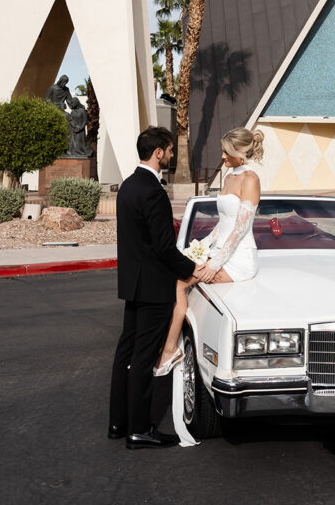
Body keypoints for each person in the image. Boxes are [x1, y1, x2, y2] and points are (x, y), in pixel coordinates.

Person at [108, 126, 205, 450]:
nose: (172, 155)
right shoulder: (152, 190)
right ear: (159, 151)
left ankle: (118, 423)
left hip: (133, 286)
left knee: (126, 354)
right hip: (153, 288)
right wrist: (193, 269)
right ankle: (139, 430)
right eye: (169, 150)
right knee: (143, 357)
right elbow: (164, 247)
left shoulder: (128, 186)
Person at [154, 127, 263, 376]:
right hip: (219, 252)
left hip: (239, 259)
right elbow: (223, 223)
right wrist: (202, 245)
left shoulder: (250, 179)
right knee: (177, 278)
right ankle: (171, 345)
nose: (222, 156)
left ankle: (171, 350)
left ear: (241, 152)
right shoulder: (230, 176)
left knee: (181, 284)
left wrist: (214, 264)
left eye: (227, 152)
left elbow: (239, 228)